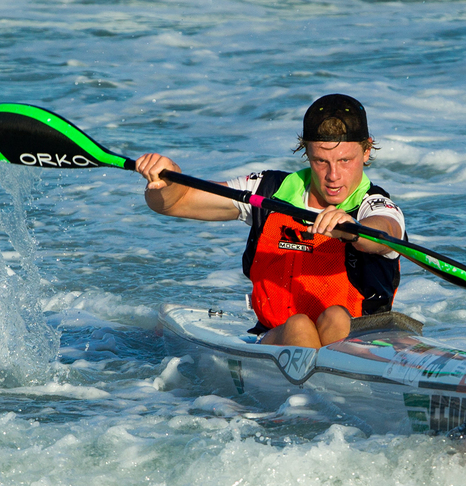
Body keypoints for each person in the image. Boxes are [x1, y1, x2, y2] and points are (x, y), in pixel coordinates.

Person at [136, 94, 405, 349]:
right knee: (299, 325)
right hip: (276, 339)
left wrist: (351, 230)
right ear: (306, 153)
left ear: (367, 150)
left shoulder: (376, 206)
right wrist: (165, 182)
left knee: (336, 317)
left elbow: (383, 233)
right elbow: (177, 201)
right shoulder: (269, 191)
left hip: (365, 344)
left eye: (345, 160)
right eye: (320, 161)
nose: (333, 175)